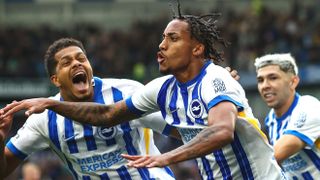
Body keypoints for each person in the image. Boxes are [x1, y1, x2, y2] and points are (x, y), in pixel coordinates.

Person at [0, 5, 286, 180]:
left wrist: (166, 158)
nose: (161, 45)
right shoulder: (160, 89)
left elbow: (220, 131)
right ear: (54, 79)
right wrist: (50, 105)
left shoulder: (214, 79)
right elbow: (110, 115)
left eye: (172, 39)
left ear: (196, 48)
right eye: (162, 38)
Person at [0, 38, 176, 179]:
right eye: (66, 62)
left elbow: (178, 129)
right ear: (55, 80)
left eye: (81, 58)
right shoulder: (43, 119)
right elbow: (3, 170)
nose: (77, 63)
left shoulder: (126, 92)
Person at [254, 53, 320, 179]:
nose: (265, 86)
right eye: (260, 80)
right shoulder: (271, 119)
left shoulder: (309, 108)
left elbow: (271, 159)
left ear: (293, 82)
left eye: (273, 78)